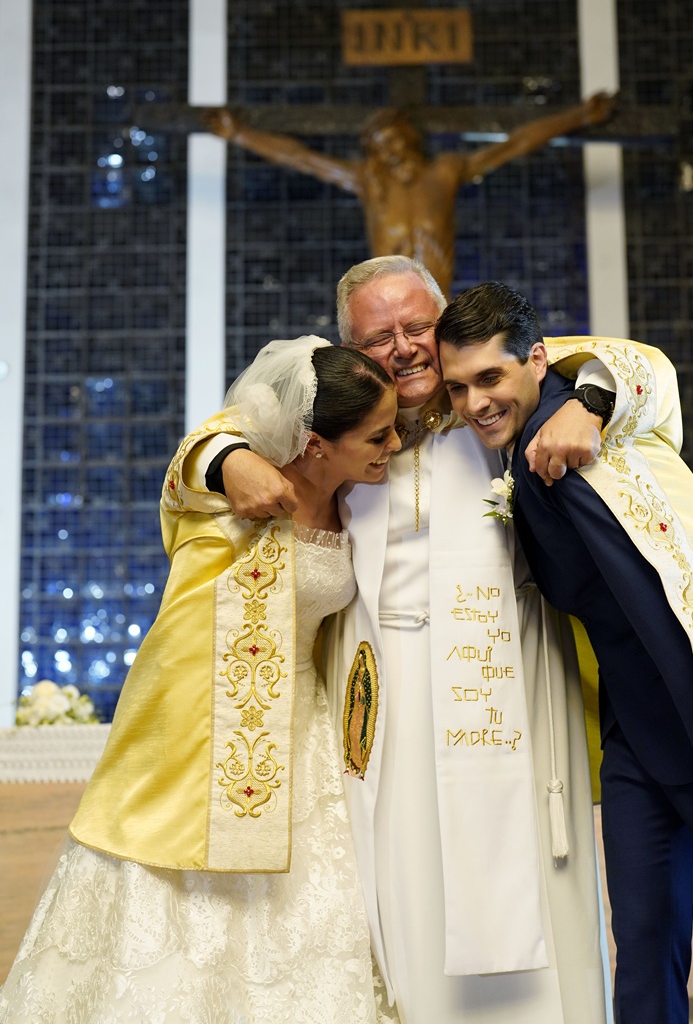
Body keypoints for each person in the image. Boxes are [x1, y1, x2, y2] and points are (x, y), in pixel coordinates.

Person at [194, 255, 674, 1024]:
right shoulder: (334, 426)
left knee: (532, 885)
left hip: (509, 684)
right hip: (384, 696)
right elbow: (210, 443)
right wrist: (232, 458)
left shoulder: (495, 404)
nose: (405, 347)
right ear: (349, 351)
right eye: (379, 336)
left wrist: (586, 402)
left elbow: (640, 369)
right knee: (403, 874)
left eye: (418, 325)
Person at [0, 338, 402, 1024]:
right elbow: (195, 455)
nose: (395, 443)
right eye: (377, 433)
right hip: (195, 731)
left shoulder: (363, 502)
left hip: (303, 737)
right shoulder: (230, 491)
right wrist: (233, 459)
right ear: (314, 445)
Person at [436, 281, 693, 1024]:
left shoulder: (567, 455)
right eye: (457, 386)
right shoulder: (541, 436)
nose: (474, 402)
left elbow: (657, 598)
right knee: (639, 948)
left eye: (489, 378)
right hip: (636, 742)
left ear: (537, 361)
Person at [204, 93, 616, 297]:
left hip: (441, 307)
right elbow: (304, 160)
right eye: (380, 148)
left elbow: (514, 144)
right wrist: (239, 134)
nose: (390, 153)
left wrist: (578, 115)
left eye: (394, 141)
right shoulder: (370, 182)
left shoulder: (446, 172)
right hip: (385, 311)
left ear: (410, 137)